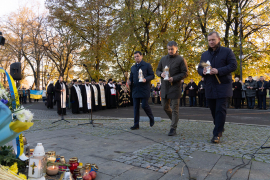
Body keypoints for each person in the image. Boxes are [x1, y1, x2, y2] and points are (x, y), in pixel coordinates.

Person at [197, 31, 237, 143]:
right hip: (209, 86)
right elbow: (199, 68)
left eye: (213, 40)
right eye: (209, 40)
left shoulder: (227, 51)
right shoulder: (205, 55)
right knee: (213, 110)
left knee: (220, 110)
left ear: (218, 39)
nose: (211, 42)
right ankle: (220, 125)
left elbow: (233, 65)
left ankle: (217, 134)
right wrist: (203, 71)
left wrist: (219, 71)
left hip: (223, 85)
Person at [156, 41, 188, 136]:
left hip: (175, 87)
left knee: (175, 109)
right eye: (169, 49)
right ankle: (175, 120)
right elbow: (157, 70)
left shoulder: (181, 59)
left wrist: (174, 78)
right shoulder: (163, 59)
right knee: (165, 107)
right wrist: (160, 74)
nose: (170, 51)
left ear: (176, 49)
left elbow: (185, 73)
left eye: (172, 49)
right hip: (165, 87)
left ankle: (173, 128)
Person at [128, 51, 155, 130]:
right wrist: (129, 81)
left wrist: (145, 79)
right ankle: (136, 124)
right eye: (135, 57)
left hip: (144, 89)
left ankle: (151, 117)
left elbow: (152, 75)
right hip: (135, 90)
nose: (136, 58)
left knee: (144, 105)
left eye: (138, 56)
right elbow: (131, 78)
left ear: (141, 56)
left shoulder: (147, 65)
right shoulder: (133, 67)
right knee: (136, 107)